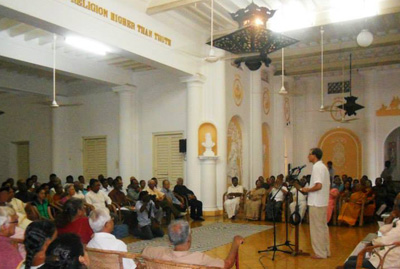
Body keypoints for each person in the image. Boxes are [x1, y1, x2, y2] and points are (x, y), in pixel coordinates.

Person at [142, 220, 244, 268]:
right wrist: (235, 244)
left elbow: (143, 252)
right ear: (189, 239)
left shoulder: (154, 252)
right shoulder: (199, 258)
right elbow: (227, 264)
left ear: (169, 240)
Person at [300, 148, 330, 259]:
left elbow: (318, 186)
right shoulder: (324, 167)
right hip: (322, 202)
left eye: (309, 154)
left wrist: (307, 190)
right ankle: (325, 251)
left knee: (317, 228)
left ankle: (320, 253)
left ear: (315, 156)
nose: (308, 156)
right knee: (322, 228)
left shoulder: (317, 167)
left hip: (316, 202)